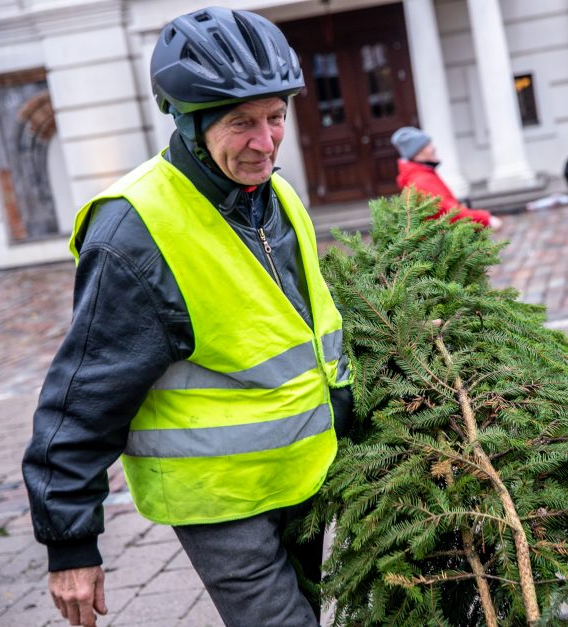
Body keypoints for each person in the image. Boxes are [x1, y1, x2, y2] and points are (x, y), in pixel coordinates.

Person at [21, 8, 353, 627]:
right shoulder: (134, 230)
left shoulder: (274, 196)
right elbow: (83, 393)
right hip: (222, 501)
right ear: (189, 122)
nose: (266, 141)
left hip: (305, 473)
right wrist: (70, 544)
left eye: (276, 117)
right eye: (241, 123)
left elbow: (305, 331)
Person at [391, 126, 503, 230]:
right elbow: (449, 214)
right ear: (416, 154)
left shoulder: (422, 174)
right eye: (426, 146)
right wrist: (486, 219)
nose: (433, 148)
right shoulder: (421, 181)